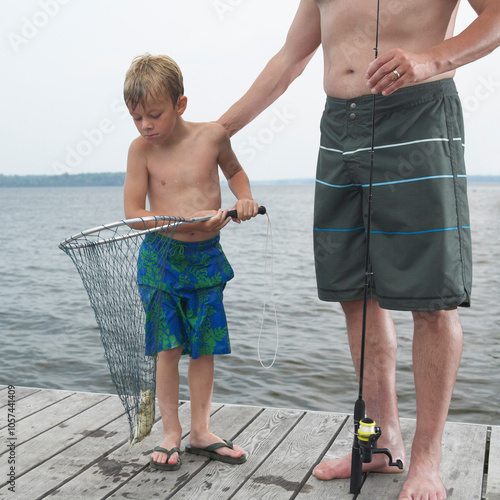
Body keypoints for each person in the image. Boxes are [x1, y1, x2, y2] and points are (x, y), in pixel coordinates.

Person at [217, 1, 500, 499]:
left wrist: (430, 61)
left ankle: (428, 458)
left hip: (418, 113)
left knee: (433, 299)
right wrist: (218, 132)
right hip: (338, 125)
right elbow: (290, 58)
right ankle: (381, 442)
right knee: (355, 292)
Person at [123, 54, 259, 471]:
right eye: (137, 117)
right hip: (161, 260)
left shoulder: (213, 137)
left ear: (180, 105)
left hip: (206, 260)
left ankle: (201, 430)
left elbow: (235, 173)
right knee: (168, 348)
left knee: (204, 347)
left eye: (154, 115)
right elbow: (133, 213)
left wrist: (244, 199)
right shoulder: (140, 150)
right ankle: (171, 432)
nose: (146, 125)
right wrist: (170, 221)